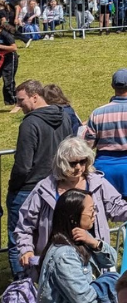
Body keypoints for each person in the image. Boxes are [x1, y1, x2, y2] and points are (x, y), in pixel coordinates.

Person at [15, 137, 127, 278]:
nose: (78, 167)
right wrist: (26, 249)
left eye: (82, 161)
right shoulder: (44, 189)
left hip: (93, 259)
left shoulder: (97, 183)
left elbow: (115, 206)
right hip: (57, 263)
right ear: (61, 163)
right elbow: (25, 225)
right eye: (73, 163)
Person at [7, 79, 74, 278]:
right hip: (57, 187)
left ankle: (22, 290)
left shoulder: (30, 123)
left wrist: (13, 187)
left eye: (21, 101)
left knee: (19, 241)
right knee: (52, 238)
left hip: (28, 189)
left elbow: (23, 165)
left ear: (35, 97)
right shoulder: (64, 116)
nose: (19, 106)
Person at [81, 69, 127, 208]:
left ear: (112, 86)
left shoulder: (97, 113)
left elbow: (88, 145)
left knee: (98, 218)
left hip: (103, 171)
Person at [36, 189, 120, 303]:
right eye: (91, 210)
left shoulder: (83, 237)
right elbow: (83, 299)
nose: (95, 213)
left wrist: (95, 243)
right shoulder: (64, 256)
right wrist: (106, 284)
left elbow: (111, 261)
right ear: (73, 217)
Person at [0, 17, 18, 106]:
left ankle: (14, 101)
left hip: (10, 58)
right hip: (0, 58)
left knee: (8, 81)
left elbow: (14, 48)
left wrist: (1, 47)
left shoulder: (6, 34)